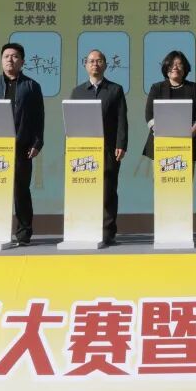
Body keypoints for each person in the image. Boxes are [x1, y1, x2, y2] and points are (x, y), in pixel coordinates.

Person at [0, 42, 44, 245]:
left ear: (22, 61)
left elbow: (38, 117)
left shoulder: (31, 86)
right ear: (1, 60)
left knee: (21, 190)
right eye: (6, 56)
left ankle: (24, 233)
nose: (10, 59)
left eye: (15, 56)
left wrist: (37, 142)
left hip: (21, 145)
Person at [69, 50, 128, 246]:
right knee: (85, 189)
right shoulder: (77, 92)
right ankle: (85, 228)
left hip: (109, 148)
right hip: (83, 149)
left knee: (108, 189)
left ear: (105, 65)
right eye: (91, 61)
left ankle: (107, 232)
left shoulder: (115, 90)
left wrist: (121, 144)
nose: (95, 64)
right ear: (85, 65)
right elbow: (72, 120)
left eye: (99, 61)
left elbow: (121, 119)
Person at [143, 50, 196, 165]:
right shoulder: (157, 88)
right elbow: (149, 114)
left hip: (189, 141)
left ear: (185, 68)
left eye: (179, 64)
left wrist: (191, 132)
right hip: (161, 142)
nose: (175, 67)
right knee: (162, 176)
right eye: (171, 64)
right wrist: (161, 132)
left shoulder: (194, 88)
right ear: (166, 68)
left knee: (185, 176)